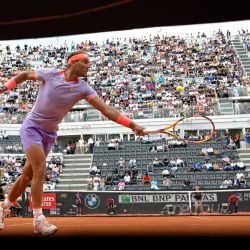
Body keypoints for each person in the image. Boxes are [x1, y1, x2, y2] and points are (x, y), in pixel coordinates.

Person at [0, 51, 146, 235]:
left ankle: (3, 206)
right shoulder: (51, 74)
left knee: (28, 176)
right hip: (31, 128)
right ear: (73, 62)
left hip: (50, 134)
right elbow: (23, 75)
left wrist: (132, 125)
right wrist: (4, 88)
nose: (89, 65)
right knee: (39, 170)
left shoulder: (83, 88)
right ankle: (38, 219)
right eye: (85, 62)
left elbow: (106, 109)